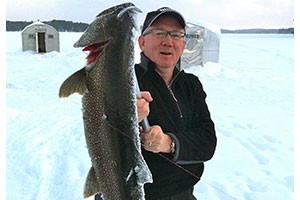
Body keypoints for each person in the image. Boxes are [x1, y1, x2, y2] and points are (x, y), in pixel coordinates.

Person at [135, 7, 217, 200]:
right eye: (160, 32)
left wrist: (168, 142)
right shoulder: (124, 81)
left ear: (183, 43)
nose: (168, 41)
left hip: (184, 194)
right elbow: (101, 136)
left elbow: (207, 142)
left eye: (176, 34)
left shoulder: (191, 85)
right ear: (142, 41)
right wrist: (126, 117)